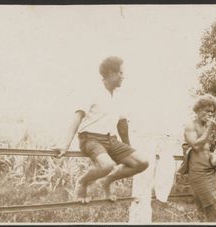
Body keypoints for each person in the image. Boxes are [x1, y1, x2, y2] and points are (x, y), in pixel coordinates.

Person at [57, 56, 149, 202]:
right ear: (111, 73)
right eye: (120, 73)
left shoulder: (120, 95)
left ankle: (106, 181)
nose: (123, 77)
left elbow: (122, 123)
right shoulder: (92, 91)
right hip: (91, 138)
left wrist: (127, 147)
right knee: (107, 165)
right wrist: (65, 144)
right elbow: (78, 116)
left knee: (142, 162)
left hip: (110, 139)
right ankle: (82, 181)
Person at [183, 94, 216, 222]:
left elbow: (206, 150)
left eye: (212, 112)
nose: (210, 114)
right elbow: (195, 146)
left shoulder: (206, 126)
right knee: (212, 208)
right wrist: (210, 129)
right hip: (198, 171)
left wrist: (215, 159)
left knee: (211, 208)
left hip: (210, 171)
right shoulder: (190, 125)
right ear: (198, 110)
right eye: (207, 111)